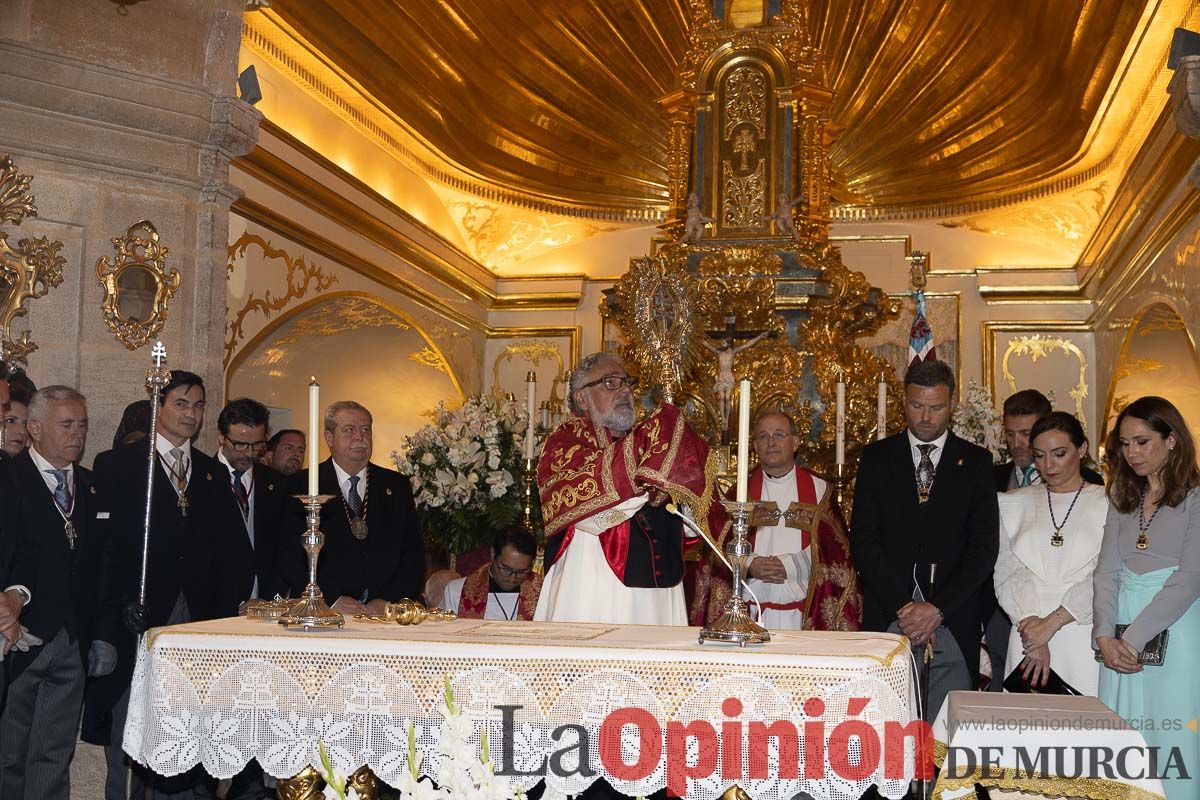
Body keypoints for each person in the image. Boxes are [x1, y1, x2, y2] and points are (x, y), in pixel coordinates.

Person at [88, 370, 249, 800]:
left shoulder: (213, 475)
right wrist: (117, 606)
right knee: (129, 736)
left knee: (185, 738)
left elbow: (234, 555)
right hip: (136, 621)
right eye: (181, 403)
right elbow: (104, 551)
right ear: (158, 405)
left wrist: (220, 618)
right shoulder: (118, 464)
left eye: (198, 406)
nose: (191, 414)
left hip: (195, 623)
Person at [850, 359, 998, 720]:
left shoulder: (976, 462)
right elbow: (864, 542)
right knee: (885, 729)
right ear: (903, 401)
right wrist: (905, 606)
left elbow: (983, 548)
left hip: (952, 619)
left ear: (952, 404)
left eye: (936, 407)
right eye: (917, 406)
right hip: (890, 615)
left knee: (945, 738)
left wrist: (937, 608)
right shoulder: (876, 458)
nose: (926, 417)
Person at [535, 352, 723, 625]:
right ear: (582, 398)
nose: (624, 390)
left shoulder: (651, 446)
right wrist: (653, 461)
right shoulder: (565, 441)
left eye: (627, 382)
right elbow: (585, 509)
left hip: (660, 594)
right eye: (610, 382)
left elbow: (686, 524)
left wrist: (686, 492)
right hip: (594, 584)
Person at [1094, 396, 1200, 800]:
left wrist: (1132, 640)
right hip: (1117, 639)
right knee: (1122, 748)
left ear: (1171, 440)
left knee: (1174, 743)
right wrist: (1104, 638)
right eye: (1124, 443)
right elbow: (1105, 572)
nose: (1132, 453)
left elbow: (1190, 578)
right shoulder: (1122, 498)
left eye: (1142, 441)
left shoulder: (1195, 497)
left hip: (1176, 632)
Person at [0, 387, 99, 798]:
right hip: (23, 637)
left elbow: (103, 563)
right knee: (9, 754)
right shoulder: (8, 476)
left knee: (54, 753)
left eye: (81, 425)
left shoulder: (93, 485)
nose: (76, 434)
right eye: (66, 424)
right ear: (35, 428)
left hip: (72, 637)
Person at [693, 410, 861, 630]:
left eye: (779, 434)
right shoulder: (739, 493)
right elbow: (718, 549)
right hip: (750, 613)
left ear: (795, 442)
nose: (771, 442)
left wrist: (791, 567)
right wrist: (750, 564)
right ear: (755, 447)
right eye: (763, 436)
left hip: (805, 615)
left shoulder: (820, 490)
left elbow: (836, 553)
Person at [984, 389, 1104, 690]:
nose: (1048, 465)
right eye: (1039, 455)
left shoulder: (1110, 502)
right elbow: (1007, 571)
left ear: (1082, 449)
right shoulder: (1011, 503)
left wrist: (1050, 625)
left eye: (1059, 454)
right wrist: (1032, 629)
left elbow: (1105, 575)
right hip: (1025, 631)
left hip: (1081, 629)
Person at [287, 401, 424, 615]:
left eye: (365, 430)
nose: (360, 437)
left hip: (384, 613)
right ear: (329, 438)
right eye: (349, 430)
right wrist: (330, 599)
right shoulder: (302, 485)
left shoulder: (395, 485)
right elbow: (290, 554)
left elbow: (413, 554)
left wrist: (388, 599)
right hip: (328, 612)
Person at [215, 398, 291, 605]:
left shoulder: (277, 484)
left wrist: (270, 600)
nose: (248, 453)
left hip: (267, 606)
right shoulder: (201, 479)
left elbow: (286, 550)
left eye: (257, 445)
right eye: (240, 444)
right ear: (221, 437)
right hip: (216, 610)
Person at [995, 390, 1104, 491]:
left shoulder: (1089, 481)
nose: (1016, 444)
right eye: (1010, 434)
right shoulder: (992, 478)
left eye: (1026, 434)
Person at [441, 528, 543, 621]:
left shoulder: (544, 593)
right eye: (506, 569)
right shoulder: (456, 592)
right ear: (493, 553)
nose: (512, 578)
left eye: (521, 572)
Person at [700, 323, 771, 440]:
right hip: (722, 376)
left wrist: (760, 336)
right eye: (721, 343)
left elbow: (747, 344)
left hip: (728, 376)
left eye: (723, 342)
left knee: (727, 398)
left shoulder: (732, 352)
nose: (721, 344)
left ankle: (726, 419)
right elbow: (707, 345)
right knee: (721, 398)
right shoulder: (719, 352)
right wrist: (696, 335)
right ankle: (723, 418)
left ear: (728, 344)